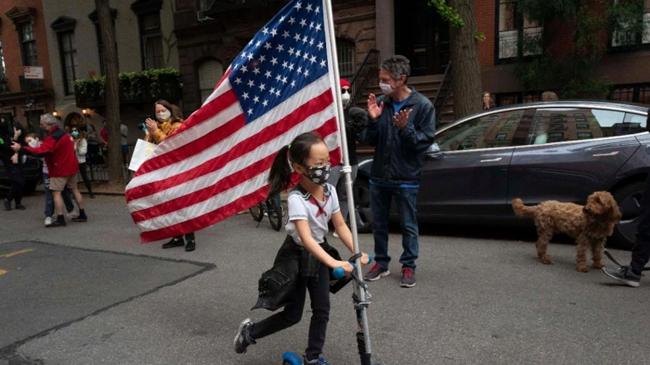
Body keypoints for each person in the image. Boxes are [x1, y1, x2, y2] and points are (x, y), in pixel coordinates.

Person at [233, 132, 369, 364]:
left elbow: (340, 224)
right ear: (298, 167)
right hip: (295, 255)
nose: (325, 168)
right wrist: (334, 262)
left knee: (322, 309)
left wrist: (357, 250)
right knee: (292, 315)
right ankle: (250, 333)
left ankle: (313, 357)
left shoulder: (330, 192)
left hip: (319, 253)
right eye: (318, 164)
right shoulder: (297, 198)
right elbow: (306, 239)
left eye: (326, 162)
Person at [361, 55, 435, 288]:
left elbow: (423, 143)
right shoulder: (382, 103)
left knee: (408, 224)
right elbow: (369, 139)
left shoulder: (422, 106)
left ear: (401, 79)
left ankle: (408, 266)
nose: (381, 83)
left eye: (385, 79)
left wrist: (406, 128)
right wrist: (372, 120)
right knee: (379, 223)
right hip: (380, 176)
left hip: (406, 178)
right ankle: (381, 263)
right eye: (380, 79)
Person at [11, 113, 88, 227]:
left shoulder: (53, 138)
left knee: (56, 193)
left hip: (59, 169)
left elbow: (42, 151)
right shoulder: (64, 134)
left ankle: (60, 218)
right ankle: (82, 214)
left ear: (49, 125)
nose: (41, 126)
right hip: (71, 166)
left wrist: (21, 149)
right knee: (75, 190)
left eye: (42, 124)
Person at [144, 100, 197, 252]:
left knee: (182, 204)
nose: (160, 114)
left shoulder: (178, 125)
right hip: (162, 172)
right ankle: (177, 236)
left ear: (169, 110)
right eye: (157, 112)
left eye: (162, 110)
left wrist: (155, 132)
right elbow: (149, 149)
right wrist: (149, 134)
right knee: (169, 206)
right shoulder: (157, 127)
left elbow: (171, 145)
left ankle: (190, 237)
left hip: (178, 170)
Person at [328, 78, 367, 228]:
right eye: (342, 90)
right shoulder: (329, 113)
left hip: (350, 160)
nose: (346, 94)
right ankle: (323, 223)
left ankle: (341, 224)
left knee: (345, 194)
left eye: (348, 91)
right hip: (333, 160)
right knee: (328, 194)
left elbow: (360, 136)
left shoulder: (353, 113)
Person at [25, 133, 76, 226]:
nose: (29, 143)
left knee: (64, 191)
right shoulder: (35, 149)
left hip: (56, 173)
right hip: (47, 173)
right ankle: (49, 215)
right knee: (49, 193)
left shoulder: (46, 145)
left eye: (30, 140)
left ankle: (71, 210)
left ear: (36, 138)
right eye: (27, 142)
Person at [1, 118, 26, 210]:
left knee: (20, 181)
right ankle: (8, 199)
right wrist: (15, 137)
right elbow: (7, 146)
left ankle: (18, 202)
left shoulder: (11, 132)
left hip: (17, 160)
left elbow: (21, 145)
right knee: (18, 181)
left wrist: (16, 136)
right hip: (8, 161)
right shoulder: (1, 137)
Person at [71, 127, 95, 198]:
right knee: (73, 178)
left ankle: (90, 192)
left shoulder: (83, 141)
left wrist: (77, 146)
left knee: (85, 177)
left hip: (81, 161)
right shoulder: (71, 140)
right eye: (73, 132)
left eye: (75, 131)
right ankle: (74, 193)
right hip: (73, 161)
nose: (74, 133)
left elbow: (83, 152)